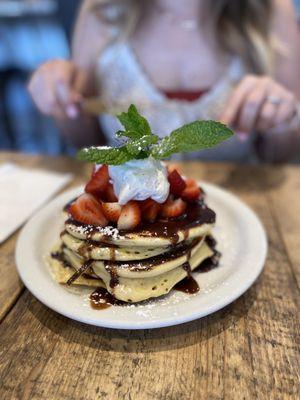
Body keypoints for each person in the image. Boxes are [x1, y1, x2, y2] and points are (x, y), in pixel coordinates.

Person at [28, 0, 300, 162]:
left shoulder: (269, 9)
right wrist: (60, 99)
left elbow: (280, 155)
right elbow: (86, 142)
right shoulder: (102, 10)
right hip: (126, 219)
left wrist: (279, 119)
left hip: (243, 217)